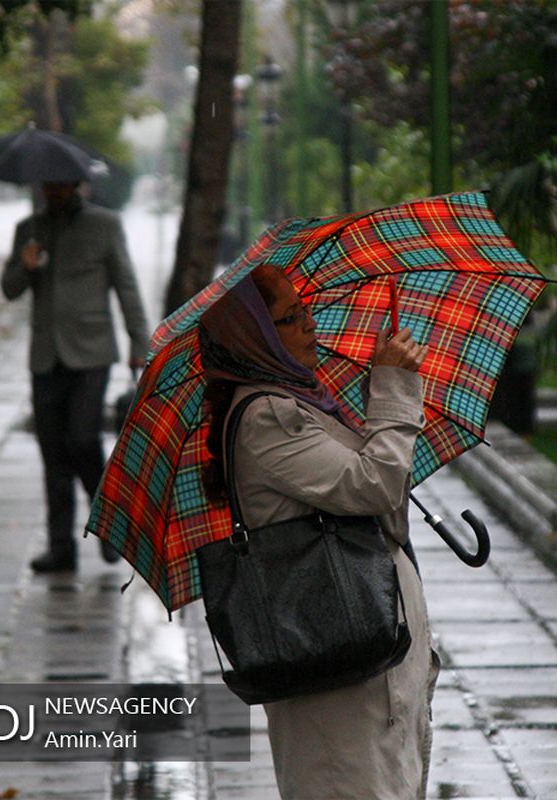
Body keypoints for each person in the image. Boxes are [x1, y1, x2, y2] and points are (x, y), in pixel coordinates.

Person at [198, 266, 439, 800]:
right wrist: (394, 389)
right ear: (254, 338)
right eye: (289, 319)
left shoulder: (301, 402)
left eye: (305, 310)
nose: (309, 325)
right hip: (338, 677)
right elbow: (373, 485)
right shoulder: (266, 417)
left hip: (368, 670)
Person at [1, 181, 149, 573]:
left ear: (78, 183)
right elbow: (8, 289)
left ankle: (110, 524)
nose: (54, 189)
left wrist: (139, 342)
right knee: (53, 454)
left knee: (83, 440)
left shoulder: (104, 225)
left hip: (91, 353)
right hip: (46, 357)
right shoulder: (28, 229)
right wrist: (25, 266)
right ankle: (60, 547)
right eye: (47, 183)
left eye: (61, 182)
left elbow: (126, 285)